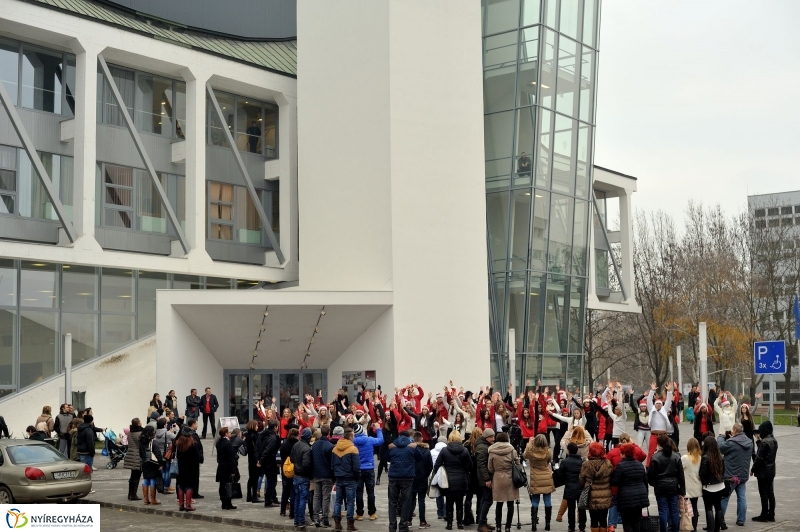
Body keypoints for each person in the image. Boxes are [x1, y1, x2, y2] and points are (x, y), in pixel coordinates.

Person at [434, 430, 472, 530]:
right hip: (461, 480)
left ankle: (449, 524)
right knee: (459, 502)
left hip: (448, 480)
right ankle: (459, 523)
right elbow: (469, 466)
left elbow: (437, 464)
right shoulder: (465, 450)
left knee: (449, 502)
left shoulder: (444, 450)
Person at [647, 433, 684, 532]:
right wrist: (682, 489)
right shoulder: (676, 456)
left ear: (658, 443)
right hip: (673, 486)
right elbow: (681, 475)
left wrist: (654, 483)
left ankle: (664, 530)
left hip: (660, 486)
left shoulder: (655, 457)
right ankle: (674, 530)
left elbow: (650, 474)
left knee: (662, 510)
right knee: (674, 510)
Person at [387, 429, 422, 532]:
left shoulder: (391, 446)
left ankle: (392, 526)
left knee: (392, 502)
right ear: (408, 437)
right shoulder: (413, 447)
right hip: (407, 477)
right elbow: (419, 458)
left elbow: (386, 458)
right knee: (406, 502)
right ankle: (403, 526)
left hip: (393, 477)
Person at [717, 423, 751, 527]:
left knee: (724, 497)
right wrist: (732, 438)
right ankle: (741, 520)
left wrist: (721, 436)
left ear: (735, 430)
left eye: (732, 429)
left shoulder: (731, 443)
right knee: (742, 497)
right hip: (742, 475)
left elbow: (720, 447)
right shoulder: (749, 442)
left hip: (730, 476)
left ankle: (719, 520)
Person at [610, 442, 650, 532]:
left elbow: (615, 482)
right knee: (636, 521)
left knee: (627, 522)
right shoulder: (640, 465)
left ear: (624, 454)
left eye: (621, 453)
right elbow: (645, 481)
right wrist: (645, 495)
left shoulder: (620, 466)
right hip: (639, 496)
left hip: (626, 498)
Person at [579, 442, 613, 532]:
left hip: (592, 495)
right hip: (605, 495)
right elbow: (612, 478)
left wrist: (587, 483)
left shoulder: (586, 465)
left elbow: (581, 479)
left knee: (593, 519)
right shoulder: (608, 464)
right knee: (603, 519)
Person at [487, 432, 518, 532]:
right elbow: (518, 464)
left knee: (499, 503)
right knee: (510, 503)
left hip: (498, 478)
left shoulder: (492, 451)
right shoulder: (512, 450)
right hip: (510, 478)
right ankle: (508, 526)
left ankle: (498, 526)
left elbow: (490, 468)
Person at [332, 427, 361, 532]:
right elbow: (356, 467)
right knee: (350, 502)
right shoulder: (353, 449)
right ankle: (350, 524)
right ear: (350, 437)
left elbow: (332, 465)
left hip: (339, 478)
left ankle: (337, 524)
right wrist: (357, 477)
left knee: (338, 501)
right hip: (350, 478)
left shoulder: (335, 449)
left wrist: (335, 477)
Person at [353, 421, 383, 521]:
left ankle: (359, 514)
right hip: (369, 468)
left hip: (358, 469)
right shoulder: (369, 440)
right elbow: (380, 440)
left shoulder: (353, 441)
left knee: (359, 492)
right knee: (370, 492)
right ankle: (372, 513)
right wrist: (378, 429)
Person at [524, 434, 554, 532]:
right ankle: (548, 524)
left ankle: (534, 525)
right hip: (546, 477)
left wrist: (529, 443)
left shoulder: (531, 451)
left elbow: (524, 455)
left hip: (535, 477)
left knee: (535, 500)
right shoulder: (548, 451)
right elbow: (549, 461)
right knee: (547, 500)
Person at [553, 443, 586, 532]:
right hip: (580, 487)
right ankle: (582, 527)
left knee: (571, 508)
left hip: (569, 487)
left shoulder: (565, 462)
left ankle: (571, 527)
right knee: (581, 508)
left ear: (568, 450)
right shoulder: (582, 462)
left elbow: (560, 475)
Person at [751, 420, 777, 522]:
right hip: (771, 470)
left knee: (764, 494)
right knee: (770, 493)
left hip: (763, 471)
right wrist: (758, 441)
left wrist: (753, 469)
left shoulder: (765, 442)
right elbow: (765, 452)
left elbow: (759, 458)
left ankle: (764, 514)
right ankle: (771, 514)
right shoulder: (773, 440)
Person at [699, 436, 725, 532]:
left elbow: (702, 473)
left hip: (708, 486)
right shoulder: (720, 456)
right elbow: (723, 471)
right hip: (720, 485)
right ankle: (717, 528)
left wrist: (704, 482)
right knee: (718, 507)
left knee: (708, 508)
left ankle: (710, 528)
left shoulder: (705, 458)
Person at [290, 428, 314, 528]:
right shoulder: (307, 448)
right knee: (302, 499)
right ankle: (301, 521)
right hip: (303, 476)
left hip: (296, 475)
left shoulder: (296, 445)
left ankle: (296, 520)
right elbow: (306, 464)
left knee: (297, 498)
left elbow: (291, 458)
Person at [174, 424, 202, 511]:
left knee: (181, 485)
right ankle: (188, 505)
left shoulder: (179, 443)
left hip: (181, 467)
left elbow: (178, 456)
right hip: (191, 467)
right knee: (189, 485)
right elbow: (197, 457)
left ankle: (181, 504)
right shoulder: (193, 444)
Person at [312, 425, 335, 528]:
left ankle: (316, 518)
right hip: (327, 474)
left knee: (316, 496)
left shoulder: (315, 445)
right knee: (326, 497)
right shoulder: (330, 446)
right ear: (329, 433)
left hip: (316, 473)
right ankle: (324, 519)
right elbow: (332, 463)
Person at [645, 382, 672, 466]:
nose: (658, 405)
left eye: (660, 404)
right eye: (657, 404)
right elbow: (649, 401)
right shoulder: (651, 410)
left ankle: (665, 466)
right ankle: (648, 466)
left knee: (666, 451)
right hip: (654, 435)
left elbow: (668, 402)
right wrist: (652, 391)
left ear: (662, 404)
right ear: (655, 404)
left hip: (663, 435)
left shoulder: (664, 410)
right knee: (651, 452)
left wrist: (669, 391)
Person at [411, 431, 434, 529]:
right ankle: (422, 521)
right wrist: (426, 475)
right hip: (422, 477)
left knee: (411, 500)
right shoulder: (426, 451)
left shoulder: (410, 450)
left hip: (411, 477)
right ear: (422, 439)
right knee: (421, 500)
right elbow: (430, 466)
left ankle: (408, 520)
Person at [257, 418, 281, 508]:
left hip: (266, 462)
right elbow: (268, 450)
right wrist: (261, 460)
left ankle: (273, 498)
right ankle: (268, 500)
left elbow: (258, 446)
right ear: (275, 427)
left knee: (271, 480)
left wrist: (259, 459)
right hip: (270, 462)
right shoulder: (272, 437)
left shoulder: (264, 434)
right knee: (272, 482)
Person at [476, 429, 496, 532]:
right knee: (487, 501)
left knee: (485, 500)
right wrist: (487, 479)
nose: (493, 439)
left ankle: (483, 522)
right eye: (491, 437)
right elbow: (481, 465)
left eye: (493, 436)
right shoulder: (482, 447)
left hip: (485, 478)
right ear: (486, 437)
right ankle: (481, 524)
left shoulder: (486, 445)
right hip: (485, 479)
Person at [681, 438, 703, 532]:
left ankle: (687, 525)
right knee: (694, 507)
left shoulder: (685, 458)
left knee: (686, 509)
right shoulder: (700, 458)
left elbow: (679, 470)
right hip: (697, 486)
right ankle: (694, 528)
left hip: (687, 487)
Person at [138, 425, 163, 505]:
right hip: (153, 463)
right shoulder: (153, 442)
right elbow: (158, 453)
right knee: (153, 480)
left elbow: (140, 453)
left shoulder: (140, 441)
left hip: (144, 462)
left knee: (146, 480)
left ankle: (146, 499)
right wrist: (160, 463)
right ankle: (153, 499)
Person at [216, 426, 239, 510]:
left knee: (222, 485)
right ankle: (228, 503)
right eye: (229, 432)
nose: (230, 433)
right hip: (227, 467)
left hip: (221, 466)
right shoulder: (228, 443)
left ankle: (223, 503)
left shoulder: (219, 442)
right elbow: (231, 458)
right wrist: (233, 470)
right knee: (228, 485)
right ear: (226, 434)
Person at [280, 427, 300, 518]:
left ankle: (282, 510)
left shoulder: (284, 445)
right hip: (294, 470)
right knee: (293, 492)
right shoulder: (297, 445)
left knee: (285, 491)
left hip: (285, 470)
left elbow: (281, 456)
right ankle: (292, 512)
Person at [124, 418, 144, 501]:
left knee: (133, 476)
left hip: (131, 455)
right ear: (138, 424)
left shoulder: (130, 433)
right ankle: (133, 494)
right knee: (136, 476)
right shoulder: (139, 433)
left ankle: (130, 494)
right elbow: (141, 444)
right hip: (137, 456)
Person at [154, 418, 176, 495]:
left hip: (158, 455)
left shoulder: (155, 433)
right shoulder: (167, 433)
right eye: (166, 423)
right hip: (166, 454)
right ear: (164, 425)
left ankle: (162, 486)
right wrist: (175, 430)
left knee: (162, 471)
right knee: (167, 471)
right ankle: (166, 487)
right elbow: (176, 437)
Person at [187, 418, 206, 499]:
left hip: (192, 459)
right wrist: (199, 457)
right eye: (196, 424)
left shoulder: (191, 434)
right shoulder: (192, 435)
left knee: (193, 476)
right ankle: (194, 493)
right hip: (193, 459)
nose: (197, 425)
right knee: (194, 476)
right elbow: (196, 448)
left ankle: (193, 492)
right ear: (193, 424)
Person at [243, 420, 261, 503]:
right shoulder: (255, 436)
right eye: (256, 426)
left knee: (251, 477)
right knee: (255, 477)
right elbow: (256, 448)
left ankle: (249, 495)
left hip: (250, 458)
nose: (257, 427)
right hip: (255, 458)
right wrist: (258, 459)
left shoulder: (247, 435)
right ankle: (254, 496)